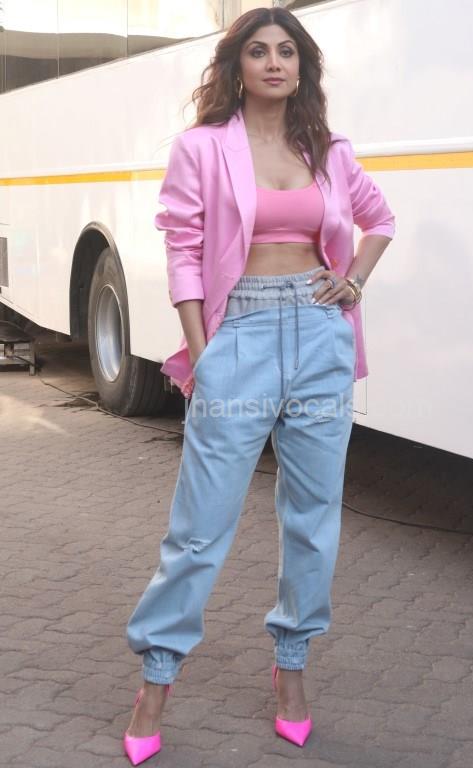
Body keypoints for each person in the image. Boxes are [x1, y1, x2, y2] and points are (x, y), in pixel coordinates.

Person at [122, 6, 395, 765]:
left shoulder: (327, 150)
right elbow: (183, 250)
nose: (274, 62)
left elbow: (379, 220)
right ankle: (155, 682)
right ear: (236, 66)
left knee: (312, 519)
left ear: (302, 67)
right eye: (258, 51)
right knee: (199, 527)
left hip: (319, 337)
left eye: (287, 51)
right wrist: (202, 353)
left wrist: (353, 282)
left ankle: (292, 668)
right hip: (237, 337)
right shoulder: (201, 148)